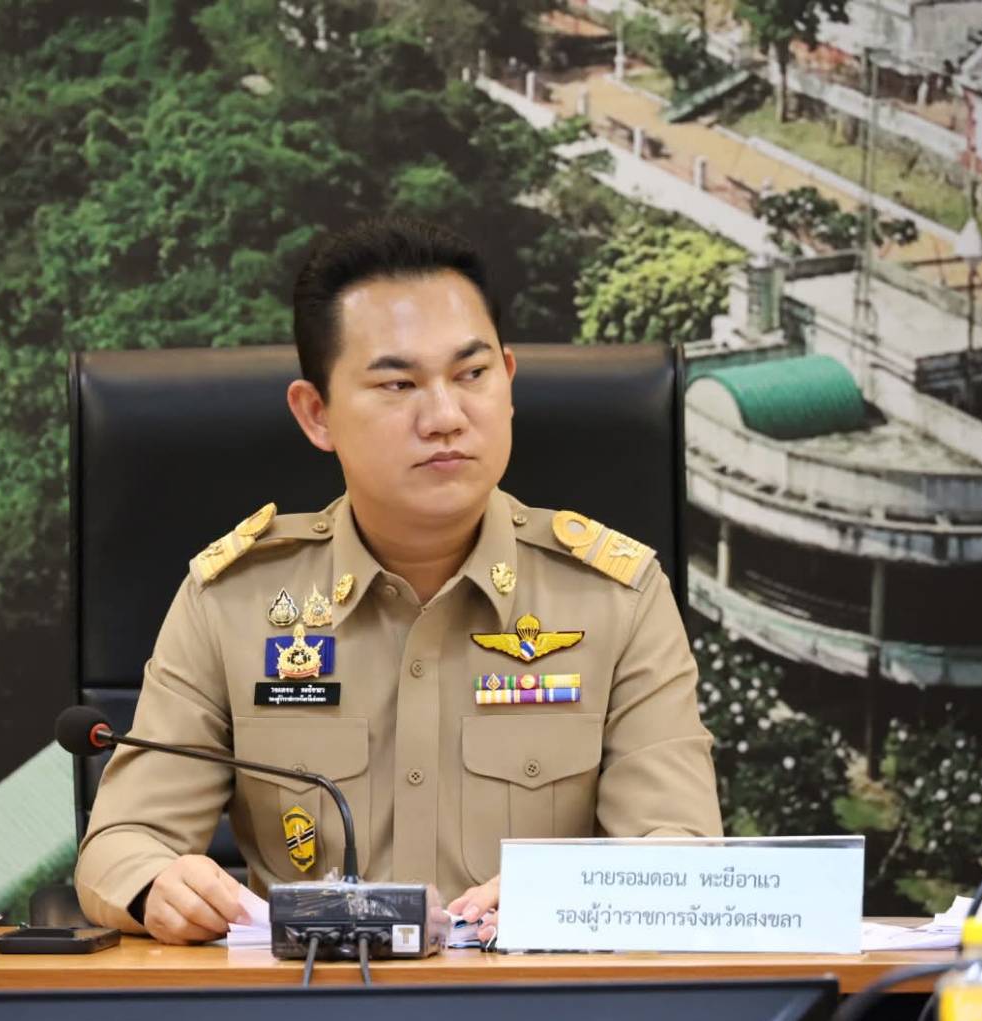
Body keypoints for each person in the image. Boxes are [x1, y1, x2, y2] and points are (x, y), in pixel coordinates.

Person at [75, 216, 720, 944]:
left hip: (532, 995)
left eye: (472, 375)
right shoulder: (236, 601)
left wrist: (565, 894)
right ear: (316, 414)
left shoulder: (615, 597)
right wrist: (158, 887)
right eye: (398, 383)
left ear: (508, 383)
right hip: (307, 999)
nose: (445, 416)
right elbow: (122, 844)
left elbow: (681, 849)